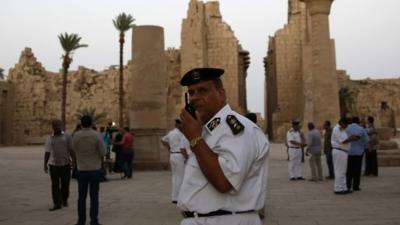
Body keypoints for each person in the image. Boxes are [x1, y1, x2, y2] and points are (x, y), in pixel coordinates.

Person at [177, 68, 269, 225]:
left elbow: (224, 181)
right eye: (191, 93)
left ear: (221, 94)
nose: (195, 98)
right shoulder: (206, 130)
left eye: (202, 91)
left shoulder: (238, 129)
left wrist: (195, 139)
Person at [72, 115, 106, 225]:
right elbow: (103, 152)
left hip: (81, 169)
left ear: (81, 124)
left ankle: (81, 220)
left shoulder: (76, 136)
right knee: (94, 197)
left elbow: (73, 149)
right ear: (91, 123)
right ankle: (94, 220)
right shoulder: (96, 135)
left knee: (81, 197)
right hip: (94, 169)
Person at [44, 119, 75, 211]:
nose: (57, 127)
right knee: (55, 185)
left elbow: (71, 149)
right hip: (53, 165)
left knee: (65, 185)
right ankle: (57, 203)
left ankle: (64, 199)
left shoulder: (67, 136)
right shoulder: (50, 138)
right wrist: (45, 164)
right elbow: (47, 152)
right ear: (52, 127)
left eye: (58, 125)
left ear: (61, 126)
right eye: (55, 125)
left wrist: (74, 160)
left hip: (65, 164)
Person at [161, 119, 187, 204]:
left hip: (172, 155)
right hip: (179, 155)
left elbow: (163, 140)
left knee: (175, 176)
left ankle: (174, 197)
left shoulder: (171, 133)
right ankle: (179, 196)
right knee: (180, 176)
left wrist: (169, 147)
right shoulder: (180, 134)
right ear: (178, 125)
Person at [331, 117, 354, 194]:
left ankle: (343, 187)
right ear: (342, 123)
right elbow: (343, 141)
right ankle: (338, 188)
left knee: (343, 171)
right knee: (339, 170)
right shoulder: (337, 129)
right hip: (339, 151)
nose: (347, 126)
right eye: (346, 124)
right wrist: (351, 138)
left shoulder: (342, 130)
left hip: (343, 152)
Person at [346, 116, 369, 192]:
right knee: (357, 170)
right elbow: (366, 140)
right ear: (358, 121)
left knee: (349, 170)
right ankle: (356, 186)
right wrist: (363, 147)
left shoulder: (347, 128)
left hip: (348, 152)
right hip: (359, 152)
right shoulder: (361, 129)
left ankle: (348, 185)